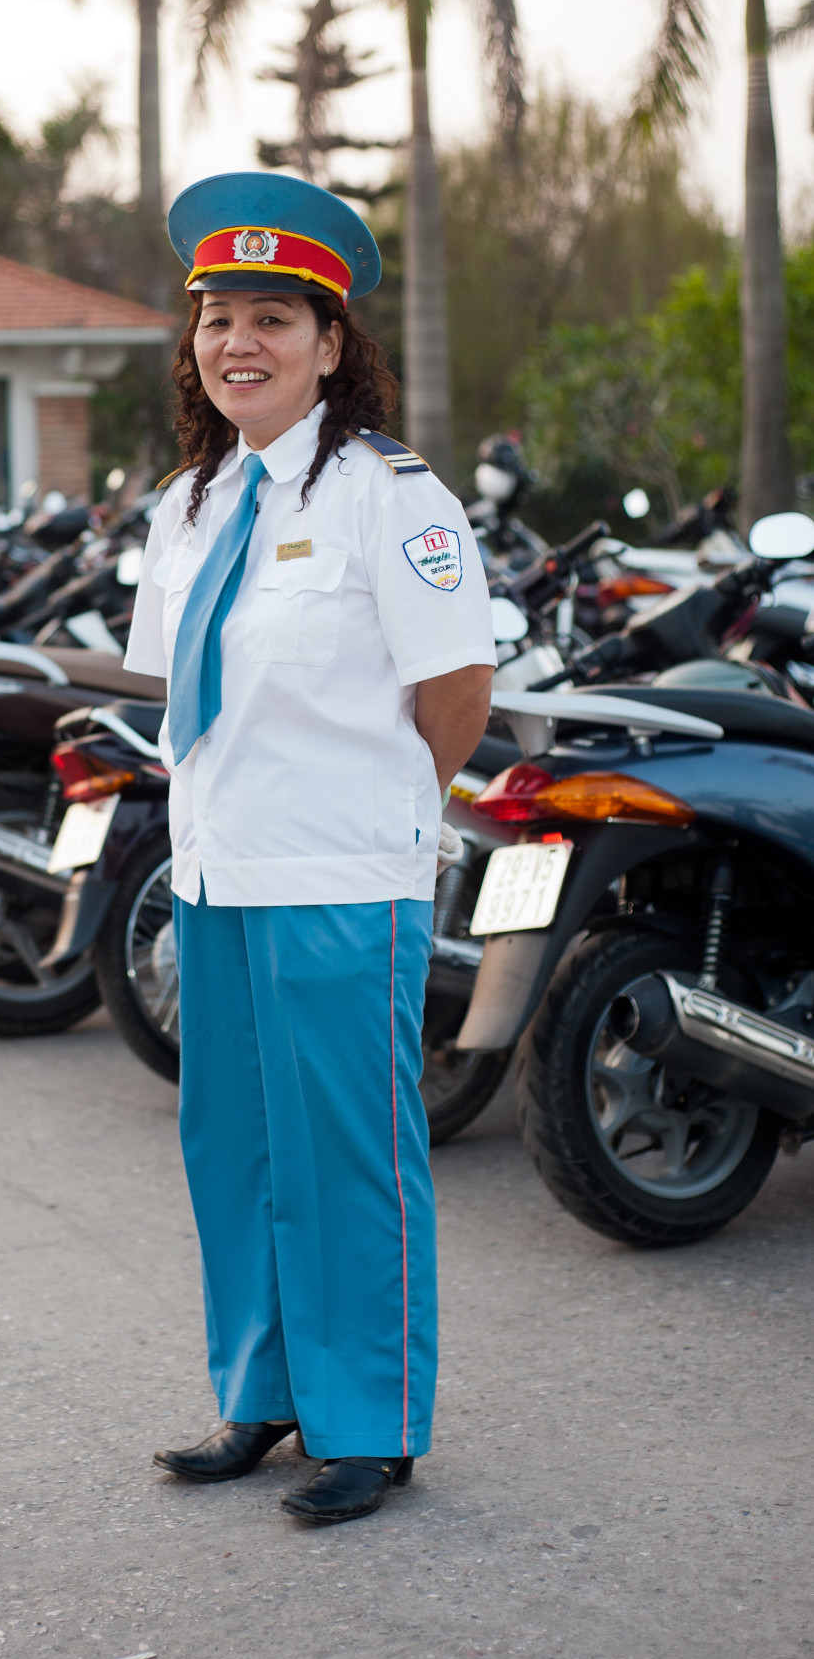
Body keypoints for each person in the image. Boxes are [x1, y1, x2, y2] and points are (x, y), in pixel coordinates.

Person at [123, 173, 496, 1525]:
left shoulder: (390, 498)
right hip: (217, 877)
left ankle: (368, 1423)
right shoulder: (190, 504)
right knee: (235, 1147)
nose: (241, 343)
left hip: (340, 878)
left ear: (332, 346)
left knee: (347, 1155)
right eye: (219, 318)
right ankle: (264, 1394)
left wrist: (378, 808)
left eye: (273, 320)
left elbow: (456, 693)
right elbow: (184, 697)